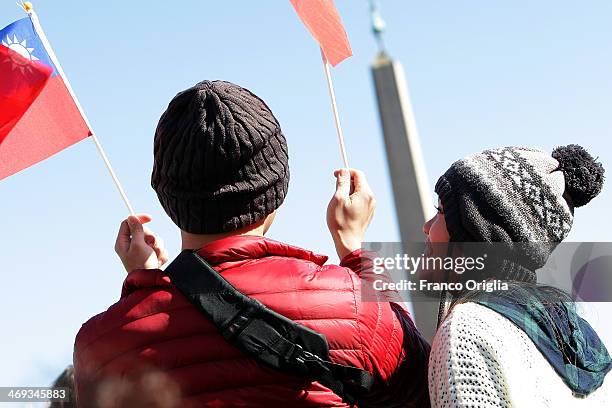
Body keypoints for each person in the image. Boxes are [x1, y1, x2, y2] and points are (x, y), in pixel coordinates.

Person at [73, 80, 430, 407]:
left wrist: (142, 290)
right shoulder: (350, 304)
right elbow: (417, 382)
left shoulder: (97, 345)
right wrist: (355, 250)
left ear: (167, 195)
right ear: (276, 187)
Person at [425, 145, 611, 407]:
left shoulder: (469, 330)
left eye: (442, 212)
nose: (426, 227)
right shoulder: (576, 335)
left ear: (476, 232)